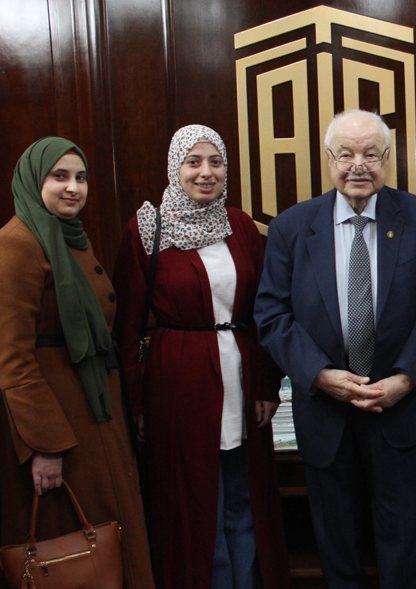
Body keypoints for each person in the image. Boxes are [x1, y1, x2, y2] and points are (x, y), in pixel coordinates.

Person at [254, 109, 416, 589]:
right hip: (325, 408)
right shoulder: (291, 227)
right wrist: (320, 375)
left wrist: (406, 379)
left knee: (401, 533)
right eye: (346, 154)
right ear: (328, 160)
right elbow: (271, 315)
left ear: (388, 159)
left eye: (370, 154)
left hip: (398, 406)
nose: (357, 165)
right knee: (335, 537)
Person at [113, 125, 290, 589]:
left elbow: (264, 313)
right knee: (194, 504)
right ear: (175, 167)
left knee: (243, 498)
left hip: (243, 379)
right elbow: (127, 330)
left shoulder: (241, 225)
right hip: (177, 385)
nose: (205, 172)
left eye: (215, 162)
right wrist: (136, 405)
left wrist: (268, 386)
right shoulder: (145, 229)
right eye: (193, 162)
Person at [0, 137, 154, 588]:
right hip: (58, 429)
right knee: (72, 553)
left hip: (94, 415)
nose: (73, 187)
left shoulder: (70, 239)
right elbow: (14, 361)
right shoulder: (12, 248)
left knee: (111, 541)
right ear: (34, 179)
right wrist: (45, 446)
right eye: (59, 176)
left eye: (80, 177)